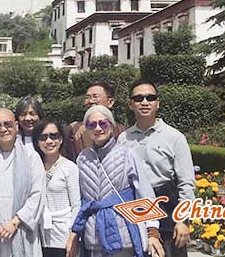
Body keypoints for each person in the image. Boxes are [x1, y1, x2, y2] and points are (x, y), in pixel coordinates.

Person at [66, 106, 164, 257]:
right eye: (92, 125)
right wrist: (75, 231)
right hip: (92, 237)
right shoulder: (82, 159)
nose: (98, 128)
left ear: (111, 126)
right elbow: (79, 200)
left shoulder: (127, 154)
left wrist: (152, 231)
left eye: (103, 124)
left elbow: (145, 193)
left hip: (124, 233)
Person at [119, 81, 195, 257]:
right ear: (131, 104)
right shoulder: (123, 139)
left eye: (150, 98)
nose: (144, 102)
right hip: (137, 208)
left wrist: (183, 220)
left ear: (157, 103)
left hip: (167, 209)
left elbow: (186, 183)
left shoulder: (174, 137)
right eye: (138, 98)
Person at [0, 108, 46, 257]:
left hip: (22, 230)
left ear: (17, 126)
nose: (3, 129)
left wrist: (16, 221)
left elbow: (37, 194)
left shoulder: (31, 157)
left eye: (8, 124)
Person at [31, 121, 79, 257]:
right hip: (39, 237)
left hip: (63, 236)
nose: (49, 141)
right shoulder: (34, 167)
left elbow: (76, 204)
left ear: (61, 139)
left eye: (54, 136)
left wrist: (72, 236)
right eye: (43, 137)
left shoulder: (70, 168)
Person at [65, 82, 128, 160]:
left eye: (95, 96)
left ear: (110, 102)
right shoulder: (73, 131)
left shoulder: (124, 132)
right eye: (87, 97)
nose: (90, 101)